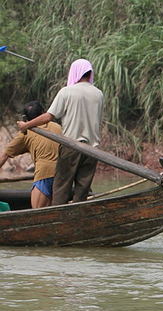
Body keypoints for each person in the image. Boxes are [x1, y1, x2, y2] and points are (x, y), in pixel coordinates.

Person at [17, 58, 104, 205]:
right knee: (82, 192)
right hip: (92, 150)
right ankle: (77, 222)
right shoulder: (98, 94)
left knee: (61, 188)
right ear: (90, 74)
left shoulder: (66, 92)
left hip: (71, 146)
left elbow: (48, 116)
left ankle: (58, 222)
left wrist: (26, 125)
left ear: (74, 73)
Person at [0, 101, 61, 208]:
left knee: (37, 213)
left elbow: (4, 156)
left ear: (25, 119)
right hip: (62, 175)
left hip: (44, 174)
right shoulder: (57, 127)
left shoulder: (26, 132)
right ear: (44, 112)